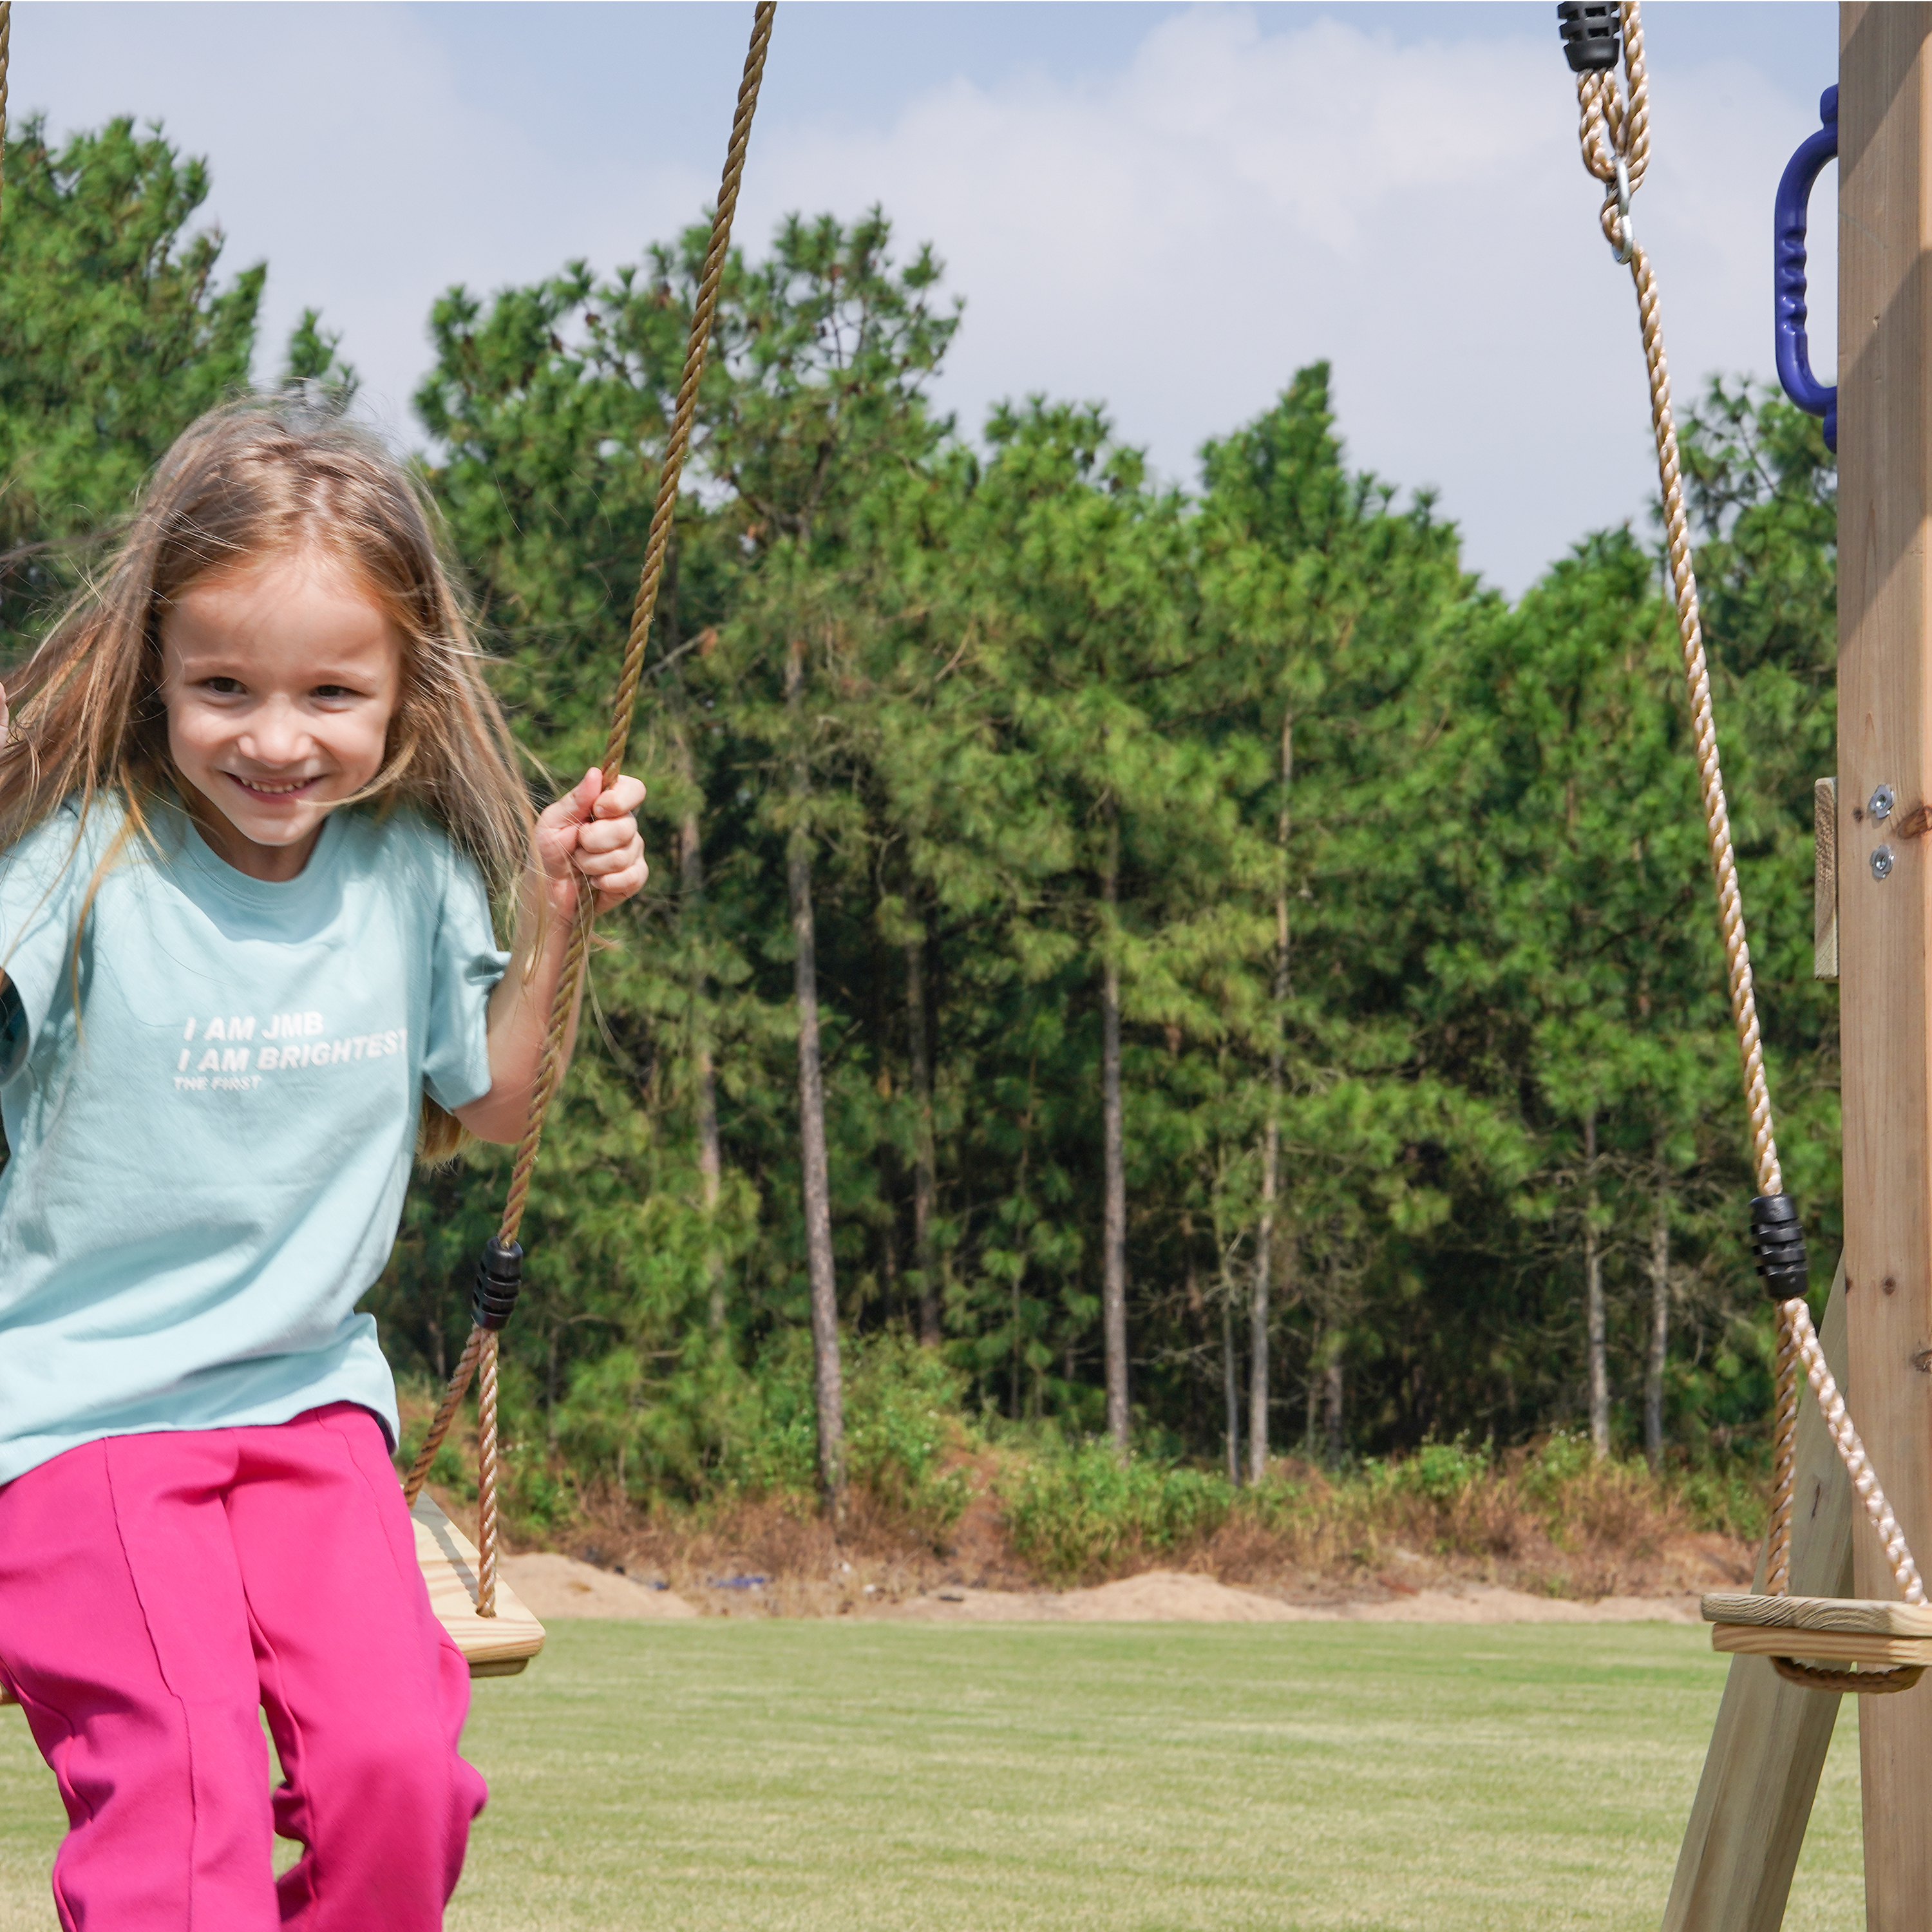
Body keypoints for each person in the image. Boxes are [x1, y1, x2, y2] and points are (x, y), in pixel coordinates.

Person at [0, 395, 647, 1929]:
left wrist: (558, 915)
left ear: (403, 692)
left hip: (308, 1416)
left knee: (399, 1784)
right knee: (190, 1797)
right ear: (151, 668)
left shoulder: (411, 875)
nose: (276, 740)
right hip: (77, 1417)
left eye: (330, 693)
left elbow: (493, 1102)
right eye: (222, 685)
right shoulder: (79, 857)